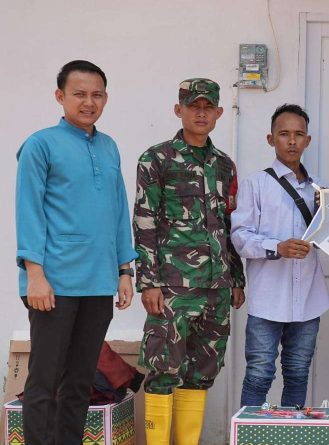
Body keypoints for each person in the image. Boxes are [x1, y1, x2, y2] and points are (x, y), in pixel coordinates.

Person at [15, 60, 137, 444]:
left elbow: (119, 211)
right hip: (53, 282)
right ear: (60, 96)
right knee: (44, 379)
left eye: (97, 95)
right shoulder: (40, 144)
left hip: (99, 281)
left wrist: (124, 270)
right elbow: (29, 210)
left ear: (106, 98)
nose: (89, 102)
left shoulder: (109, 147)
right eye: (79, 94)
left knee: (81, 381)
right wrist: (34, 273)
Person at [134, 78, 246, 445]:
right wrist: (148, 282)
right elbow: (144, 222)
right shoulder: (156, 159)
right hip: (172, 288)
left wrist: (237, 277)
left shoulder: (224, 165)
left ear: (218, 112)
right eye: (193, 106)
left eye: (207, 107)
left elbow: (229, 224)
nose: (201, 113)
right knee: (163, 370)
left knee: (201, 373)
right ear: (178, 110)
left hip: (216, 288)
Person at [232, 104, 329, 408]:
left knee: (298, 374)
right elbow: (240, 237)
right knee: (259, 374)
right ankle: (250, 433)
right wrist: (278, 247)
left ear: (308, 140)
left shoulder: (320, 190)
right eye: (284, 134)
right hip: (268, 299)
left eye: (298, 134)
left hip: (309, 298)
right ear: (270, 139)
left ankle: (290, 431)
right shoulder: (256, 184)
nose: (291, 141)